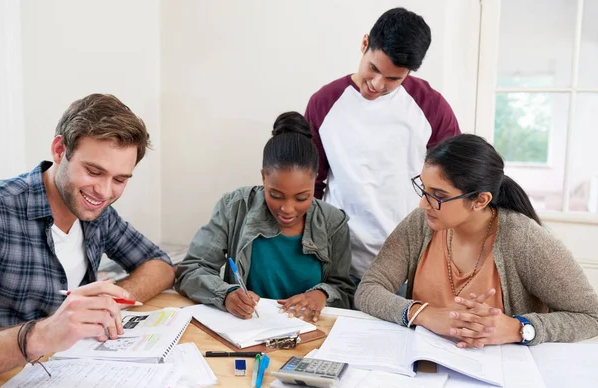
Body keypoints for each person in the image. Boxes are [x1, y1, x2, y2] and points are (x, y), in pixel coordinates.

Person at [355, 134, 598, 347]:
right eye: (424, 189)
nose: (423, 204)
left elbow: (591, 316)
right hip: (423, 366)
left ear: (480, 200)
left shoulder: (524, 240)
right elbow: (368, 290)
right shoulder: (421, 223)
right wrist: (424, 314)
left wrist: (518, 328)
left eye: (438, 196)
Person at [0, 94, 175, 351]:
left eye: (119, 180)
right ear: (60, 150)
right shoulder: (3, 210)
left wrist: (110, 299)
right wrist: (42, 336)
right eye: (93, 171)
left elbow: (160, 266)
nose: (104, 192)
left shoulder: (99, 214)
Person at [306, 7, 460, 286]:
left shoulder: (431, 106)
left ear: (408, 72)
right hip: (338, 263)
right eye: (373, 69)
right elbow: (311, 183)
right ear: (364, 43)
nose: (377, 84)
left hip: (411, 264)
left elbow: (453, 186)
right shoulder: (324, 102)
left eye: (393, 79)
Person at [175, 112, 355, 321]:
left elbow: (345, 290)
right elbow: (191, 270)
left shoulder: (333, 222)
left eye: (302, 197)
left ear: (315, 180)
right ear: (263, 177)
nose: (287, 209)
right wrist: (225, 295)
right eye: (276, 195)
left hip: (310, 332)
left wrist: (322, 294)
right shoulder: (235, 207)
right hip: (249, 328)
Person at [0, 281, 129, 374]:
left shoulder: (92, 239)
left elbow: (149, 262)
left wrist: (109, 303)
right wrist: (38, 337)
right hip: (12, 370)